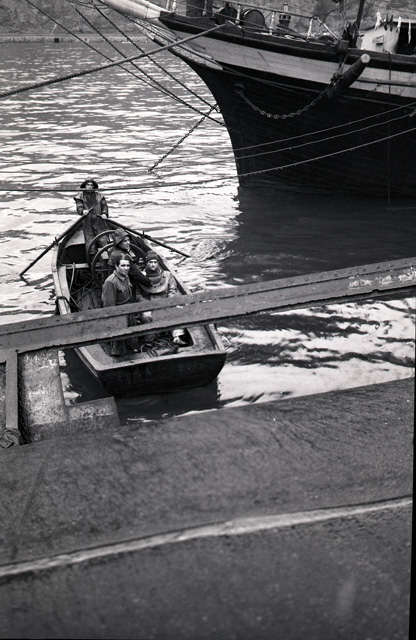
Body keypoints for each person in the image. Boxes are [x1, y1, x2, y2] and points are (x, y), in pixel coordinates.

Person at [138, 251, 187, 347]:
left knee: (178, 311)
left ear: (158, 263)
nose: (153, 264)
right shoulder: (140, 277)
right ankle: (149, 340)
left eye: (155, 262)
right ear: (146, 263)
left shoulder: (167, 275)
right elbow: (137, 294)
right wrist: (147, 304)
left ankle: (177, 337)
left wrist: (167, 301)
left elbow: (173, 289)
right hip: (148, 305)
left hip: (165, 302)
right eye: (150, 262)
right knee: (147, 316)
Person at [101, 254, 137, 356]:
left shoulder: (126, 277)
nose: (126, 268)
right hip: (119, 315)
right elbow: (109, 307)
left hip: (129, 311)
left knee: (132, 340)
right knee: (119, 347)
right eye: (123, 266)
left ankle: (131, 351)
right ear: (116, 266)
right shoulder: (111, 282)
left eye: (128, 265)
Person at [108, 228, 151, 295]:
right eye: (125, 241)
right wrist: (149, 282)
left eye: (128, 240)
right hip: (124, 286)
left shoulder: (113, 251)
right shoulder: (123, 257)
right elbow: (136, 274)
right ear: (119, 243)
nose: (128, 243)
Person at [74, 177, 110, 257]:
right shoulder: (80, 197)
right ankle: (92, 257)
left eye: (91, 185)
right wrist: (83, 211)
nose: (90, 187)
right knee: (89, 239)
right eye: (88, 185)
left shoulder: (100, 196)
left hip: (99, 220)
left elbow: (104, 206)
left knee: (103, 238)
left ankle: (106, 254)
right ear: (85, 186)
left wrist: (104, 213)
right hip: (87, 221)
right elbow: (79, 207)